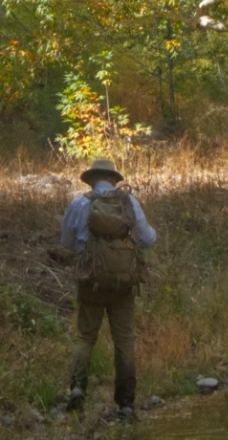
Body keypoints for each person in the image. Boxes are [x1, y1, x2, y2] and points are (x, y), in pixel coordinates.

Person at [58, 158, 157, 417]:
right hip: (124, 282)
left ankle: (78, 389)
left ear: (91, 180)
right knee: (123, 340)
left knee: (85, 337)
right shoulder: (129, 202)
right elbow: (147, 239)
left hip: (90, 280)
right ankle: (126, 402)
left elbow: (67, 240)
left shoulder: (81, 203)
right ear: (115, 179)